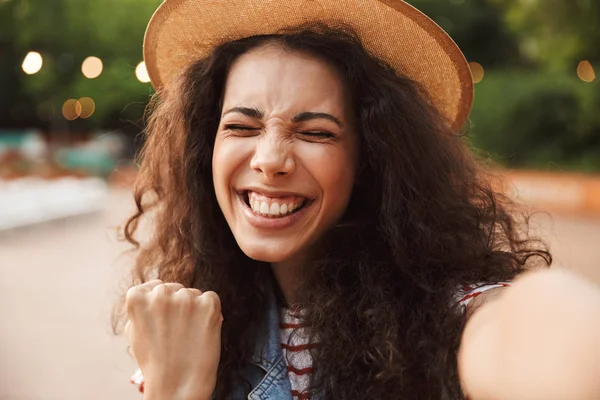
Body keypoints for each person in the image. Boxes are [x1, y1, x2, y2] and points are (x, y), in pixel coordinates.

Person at [116, 1, 600, 399]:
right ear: (206, 149)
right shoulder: (191, 326)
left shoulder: (441, 322)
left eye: (315, 132)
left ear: (372, 158)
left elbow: (538, 329)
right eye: (241, 126)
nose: (270, 160)